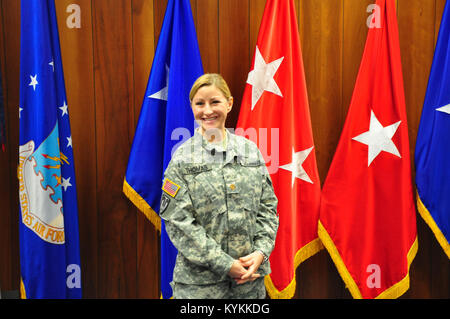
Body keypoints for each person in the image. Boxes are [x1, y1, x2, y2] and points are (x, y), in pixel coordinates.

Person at [159, 73, 279, 299]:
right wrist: (225, 264)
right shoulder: (182, 159)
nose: (207, 111)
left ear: (229, 103)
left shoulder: (251, 151)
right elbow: (179, 223)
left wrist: (261, 252)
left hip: (249, 285)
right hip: (200, 288)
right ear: (191, 106)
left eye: (215, 102)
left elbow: (268, 208)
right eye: (199, 103)